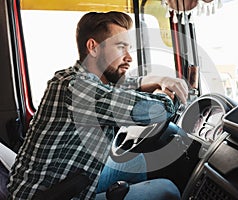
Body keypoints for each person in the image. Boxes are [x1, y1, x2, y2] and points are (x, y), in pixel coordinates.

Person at [7, 11, 188, 199]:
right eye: (120, 47)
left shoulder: (79, 79)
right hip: (55, 194)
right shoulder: (77, 88)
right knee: (167, 190)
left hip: (71, 179)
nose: (129, 57)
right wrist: (166, 96)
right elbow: (155, 111)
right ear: (93, 47)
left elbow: (123, 85)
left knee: (135, 162)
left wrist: (160, 79)